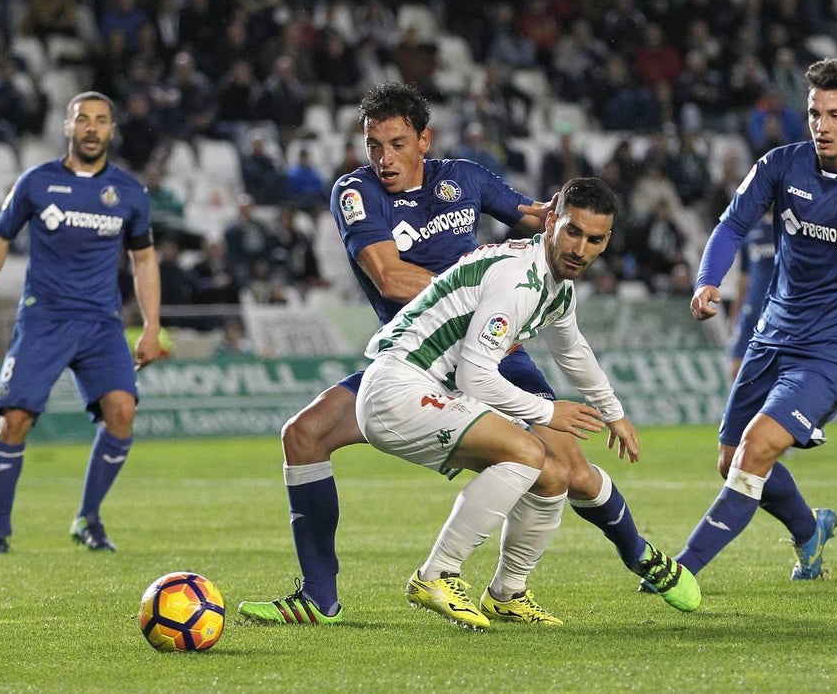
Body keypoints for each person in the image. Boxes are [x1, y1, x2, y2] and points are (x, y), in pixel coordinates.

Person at [238, 82, 698, 627]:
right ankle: (321, 597)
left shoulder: (466, 179)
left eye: (398, 143)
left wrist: (576, 229)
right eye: (374, 145)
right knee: (303, 435)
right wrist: (484, 293)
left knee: (568, 470)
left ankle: (641, 556)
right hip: (424, 354)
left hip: (492, 349)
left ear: (424, 140)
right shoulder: (356, 193)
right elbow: (388, 276)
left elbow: (541, 217)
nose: (385, 158)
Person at [355, 177, 676, 628]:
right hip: (399, 387)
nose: (580, 249)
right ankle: (437, 574)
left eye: (594, 239)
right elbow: (474, 375)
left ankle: (507, 592)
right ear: (550, 223)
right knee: (528, 452)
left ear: (607, 242)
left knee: (552, 475)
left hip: (421, 390)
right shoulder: (516, 280)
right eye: (572, 231)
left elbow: (572, 350)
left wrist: (614, 413)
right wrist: (549, 411)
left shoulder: (555, 286)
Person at [678, 58, 837, 585]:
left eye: (835, 114)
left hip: (831, 351)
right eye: (814, 113)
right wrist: (707, 280)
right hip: (772, 336)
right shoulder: (781, 166)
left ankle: (682, 569)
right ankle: (809, 531)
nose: (822, 126)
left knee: (757, 447)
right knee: (730, 461)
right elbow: (732, 224)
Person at [0, 91, 162, 556]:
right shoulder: (37, 182)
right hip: (44, 319)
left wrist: (152, 325)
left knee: (122, 412)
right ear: (68, 127)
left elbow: (144, 260)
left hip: (101, 323)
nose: (92, 128)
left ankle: (88, 518)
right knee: (14, 419)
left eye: (100, 120)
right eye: (83, 120)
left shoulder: (129, 193)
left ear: (112, 130)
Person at [727, 210, 775, 379]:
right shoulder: (750, 232)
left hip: (780, 312)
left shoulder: (792, 228)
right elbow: (743, 278)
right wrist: (734, 314)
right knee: (736, 370)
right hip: (752, 308)